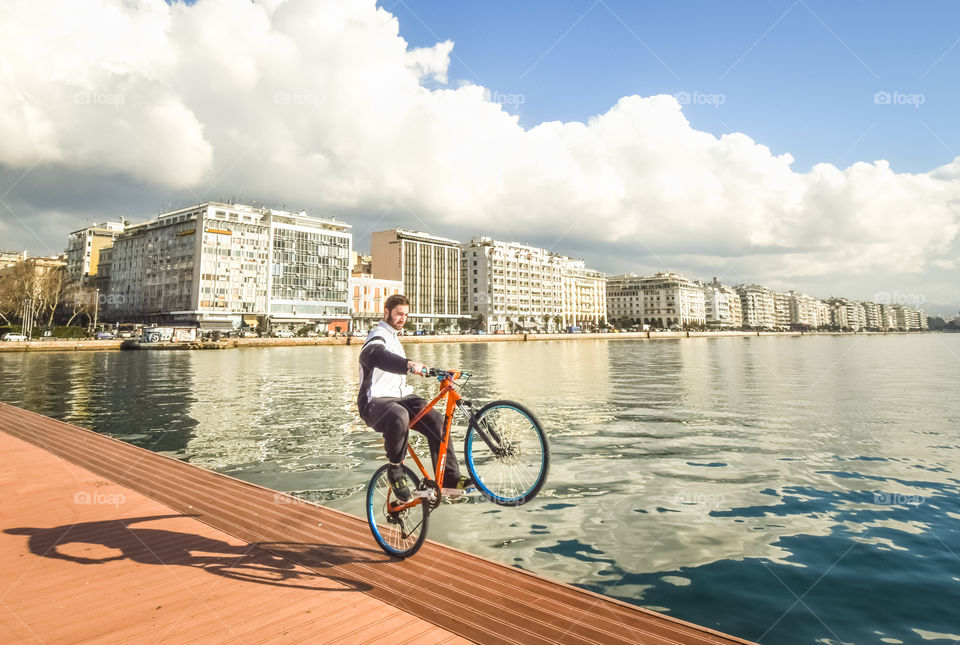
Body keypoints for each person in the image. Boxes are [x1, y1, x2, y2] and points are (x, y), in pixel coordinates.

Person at [357, 294, 472, 501]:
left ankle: (450, 479)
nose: (403, 319)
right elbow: (373, 354)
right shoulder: (378, 333)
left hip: (400, 396)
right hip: (374, 402)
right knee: (399, 415)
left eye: (406, 315)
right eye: (399, 314)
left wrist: (436, 372)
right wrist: (408, 364)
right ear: (386, 312)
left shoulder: (394, 338)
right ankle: (395, 470)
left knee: (436, 419)